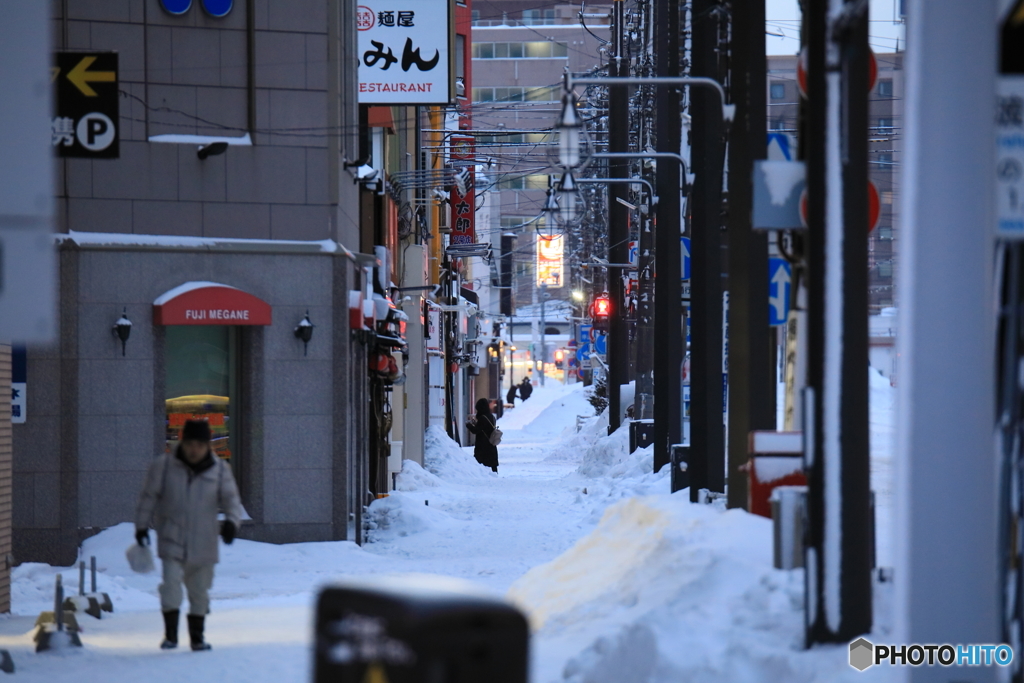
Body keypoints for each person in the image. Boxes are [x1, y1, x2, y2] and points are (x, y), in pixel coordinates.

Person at [135, 419, 243, 651]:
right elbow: (148, 497)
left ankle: (197, 638)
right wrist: (141, 526)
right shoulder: (163, 466)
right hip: (172, 537)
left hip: (204, 540)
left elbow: (231, 500)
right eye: (191, 443)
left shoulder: (220, 470)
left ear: (208, 446)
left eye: (200, 444)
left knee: (199, 591)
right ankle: (171, 636)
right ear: (183, 442)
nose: (195, 449)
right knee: (171, 585)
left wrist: (233, 523)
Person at [467, 397, 499, 472]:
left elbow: (476, 430)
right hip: (491, 444)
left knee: (480, 463)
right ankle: (494, 476)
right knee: (492, 465)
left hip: (482, 445)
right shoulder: (492, 417)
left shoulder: (482, 418)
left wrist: (469, 425)